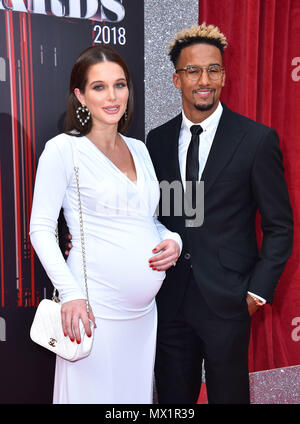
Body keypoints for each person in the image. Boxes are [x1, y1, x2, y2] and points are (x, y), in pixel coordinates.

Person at [146, 23, 293, 404]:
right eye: (193, 71)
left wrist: (256, 292)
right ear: (177, 79)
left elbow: (280, 226)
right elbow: (158, 216)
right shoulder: (156, 141)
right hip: (170, 301)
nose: (204, 80)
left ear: (224, 76)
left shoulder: (257, 140)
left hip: (229, 301)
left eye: (213, 69)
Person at [29, 45, 182, 404]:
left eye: (120, 85)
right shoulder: (62, 150)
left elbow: (147, 219)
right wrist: (71, 294)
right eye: (99, 87)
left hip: (143, 316)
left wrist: (171, 239)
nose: (112, 96)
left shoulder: (139, 149)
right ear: (80, 95)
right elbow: (40, 228)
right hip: (93, 310)